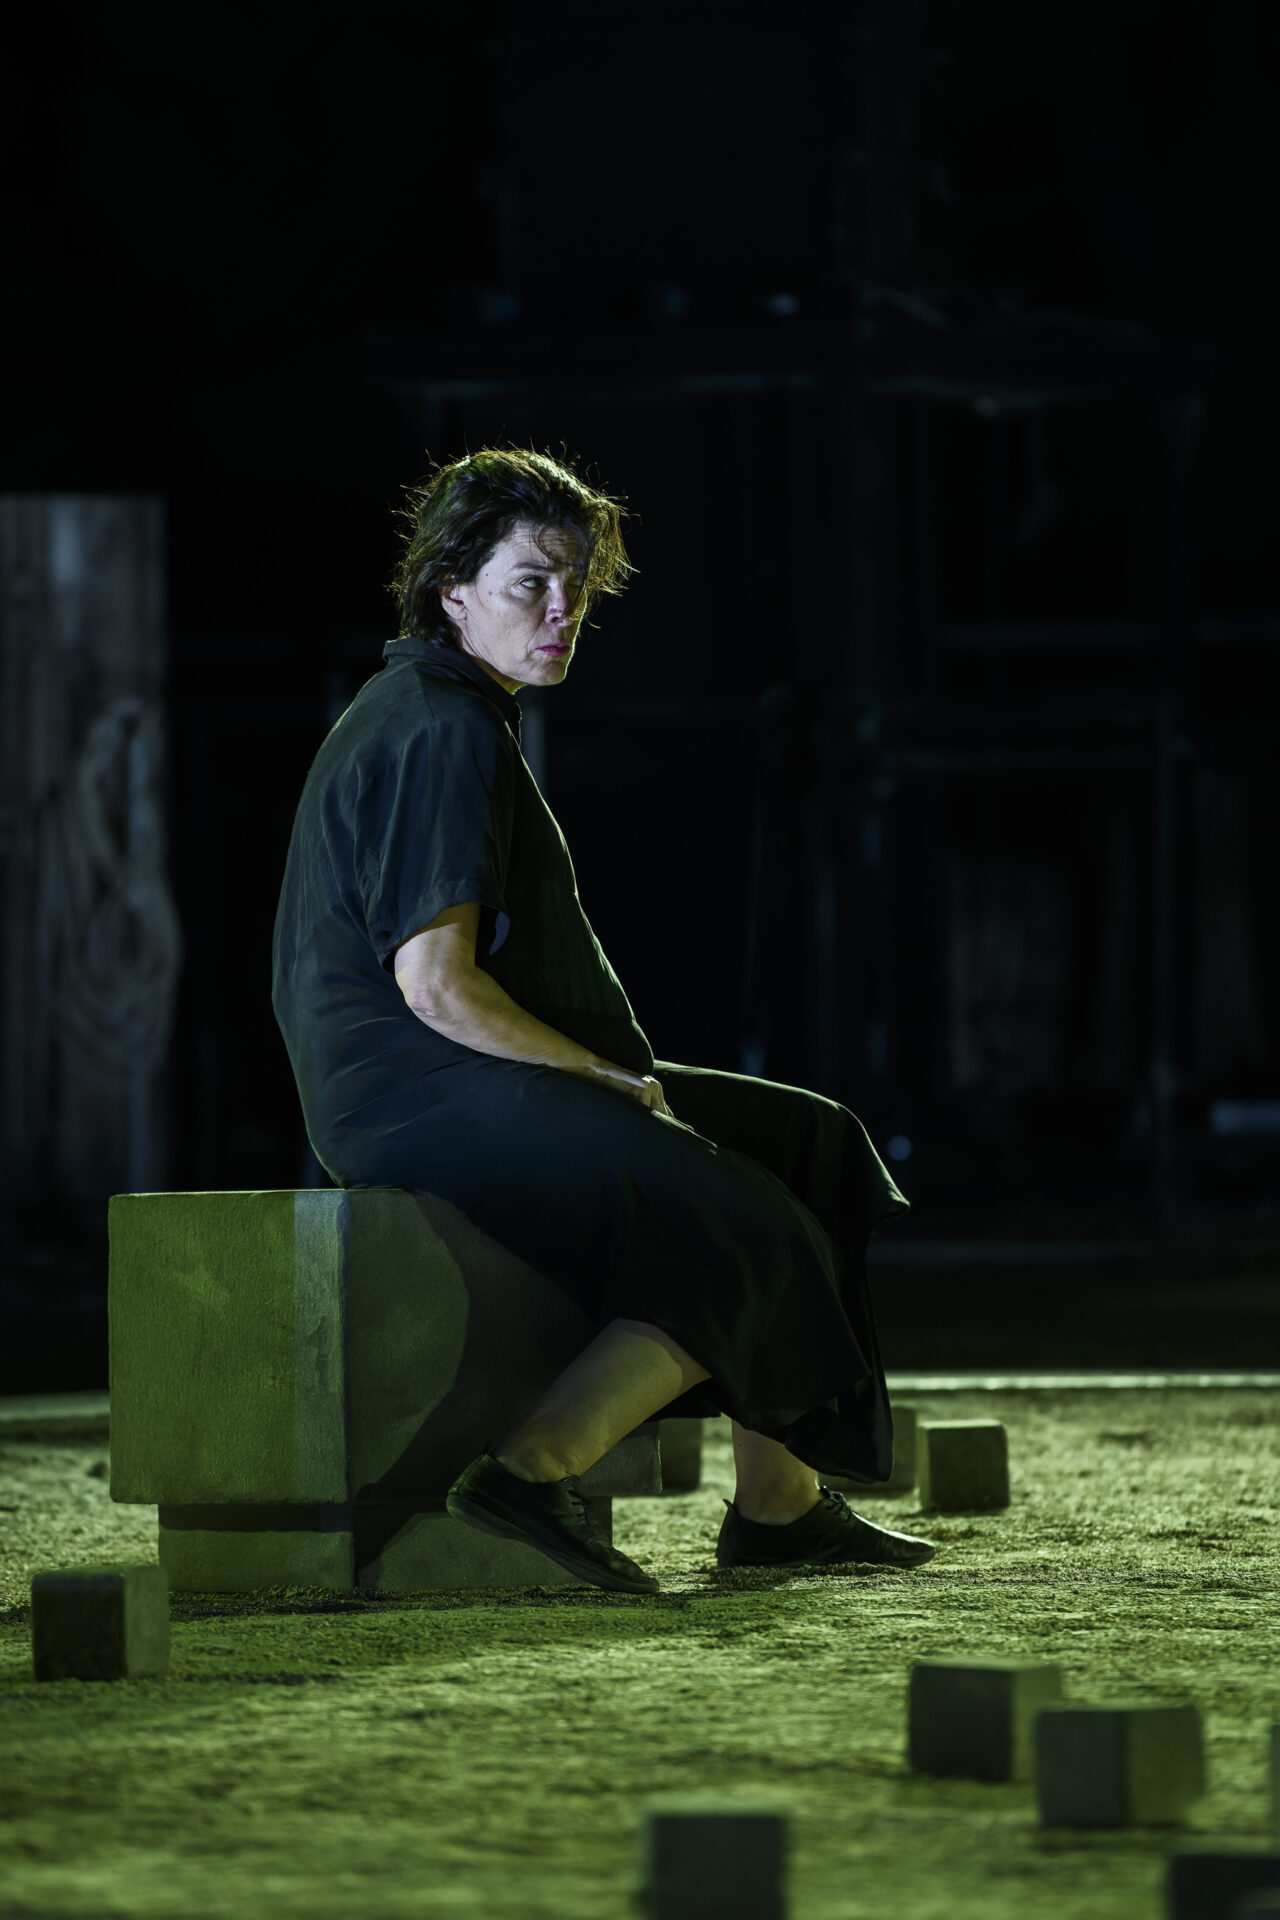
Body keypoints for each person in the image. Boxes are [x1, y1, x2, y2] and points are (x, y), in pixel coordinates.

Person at [271, 444, 935, 1595]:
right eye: (531, 582)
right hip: (415, 1094)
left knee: (809, 1142)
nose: (561, 610)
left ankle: (779, 1509)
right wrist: (601, 1076)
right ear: (451, 592)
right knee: (745, 1225)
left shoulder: (450, 710)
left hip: (461, 1076)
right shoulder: (439, 727)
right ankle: (529, 1473)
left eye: (575, 585)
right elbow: (435, 986)